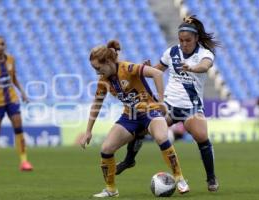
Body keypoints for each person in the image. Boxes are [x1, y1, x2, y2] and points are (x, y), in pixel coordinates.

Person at [116, 15, 220, 192]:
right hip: (169, 104)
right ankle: (129, 160)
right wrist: (146, 69)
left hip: (191, 107)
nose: (184, 43)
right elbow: (157, 71)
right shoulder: (171, 52)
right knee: (142, 129)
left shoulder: (205, 54)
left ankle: (211, 178)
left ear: (196, 38)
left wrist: (192, 68)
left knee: (202, 138)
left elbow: (204, 66)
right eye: (181, 40)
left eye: (187, 40)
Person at [80, 40, 189, 197]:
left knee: (161, 137)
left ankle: (179, 179)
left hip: (150, 110)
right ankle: (111, 190)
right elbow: (97, 103)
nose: (97, 72)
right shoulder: (103, 81)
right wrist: (88, 131)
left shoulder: (127, 68)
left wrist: (161, 102)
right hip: (129, 116)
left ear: (109, 62)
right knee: (106, 149)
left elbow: (157, 73)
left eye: (98, 68)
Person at [0, 36, 33, 174]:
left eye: (2, 44)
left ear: (5, 46)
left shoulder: (11, 60)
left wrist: (22, 93)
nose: (0, 46)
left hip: (12, 99)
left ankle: (24, 161)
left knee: (19, 129)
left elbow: (14, 78)